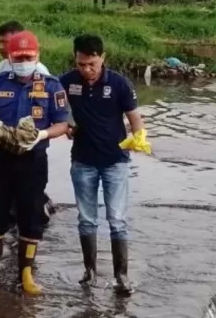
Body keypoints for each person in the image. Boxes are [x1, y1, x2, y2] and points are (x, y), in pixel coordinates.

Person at [0, 31, 70, 295]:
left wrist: (42, 134)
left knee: (31, 214)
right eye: (18, 56)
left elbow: (63, 123)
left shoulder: (52, 86)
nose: (24, 60)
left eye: (29, 56)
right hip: (2, 157)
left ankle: (26, 274)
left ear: (37, 55)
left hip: (34, 158)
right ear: (9, 56)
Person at [59, 33, 151, 295]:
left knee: (117, 220)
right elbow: (55, 107)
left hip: (115, 162)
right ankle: (89, 272)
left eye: (92, 64)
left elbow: (134, 117)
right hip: (83, 161)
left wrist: (139, 137)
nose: (87, 70)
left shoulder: (120, 84)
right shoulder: (66, 82)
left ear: (103, 58)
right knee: (87, 220)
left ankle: (121, 275)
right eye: (81, 64)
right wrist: (67, 122)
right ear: (75, 60)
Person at [0, 20, 54, 221]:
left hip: (29, 146)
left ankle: (36, 204)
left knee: (27, 207)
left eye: (6, 42)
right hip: (4, 143)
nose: (1, 47)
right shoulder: (3, 66)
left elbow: (46, 114)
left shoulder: (40, 73)